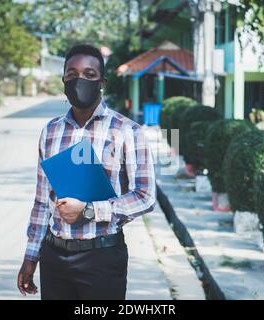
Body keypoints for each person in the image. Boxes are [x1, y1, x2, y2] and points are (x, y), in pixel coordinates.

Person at [17, 44, 156, 300]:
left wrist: (89, 210)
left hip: (101, 258)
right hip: (54, 256)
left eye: (89, 74)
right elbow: (41, 201)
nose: (80, 80)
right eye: (72, 74)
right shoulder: (51, 131)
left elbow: (145, 197)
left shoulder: (127, 131)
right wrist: (31, 256)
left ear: (102, 82)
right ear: (63, 81)